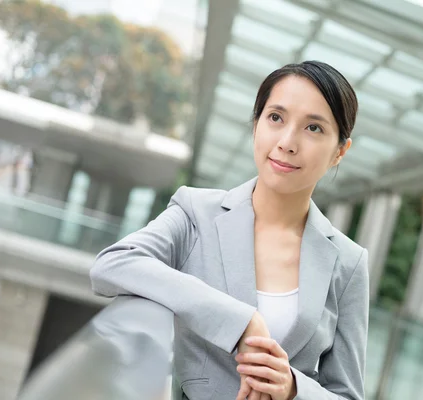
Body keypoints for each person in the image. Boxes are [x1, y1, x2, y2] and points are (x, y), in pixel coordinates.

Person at [90, 60, 369, 400]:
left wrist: (293, 388)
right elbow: (112, 265)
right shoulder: (196, 212)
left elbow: (348, 394)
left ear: (340, 151)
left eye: (314, 128)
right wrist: (239, 322)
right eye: (276, 118)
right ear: (256, 124)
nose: (287, 142)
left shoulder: (349, 263)